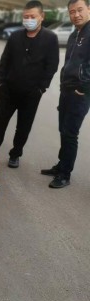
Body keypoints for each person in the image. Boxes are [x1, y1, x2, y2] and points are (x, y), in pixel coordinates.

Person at [0, 0, 59, 168]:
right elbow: (5, 60)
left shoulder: (50, 38)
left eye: (32, 16)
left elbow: (52, 65)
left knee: (23, 127)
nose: (29, 20)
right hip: (8, 91)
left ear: (42, 17)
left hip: (31, 93)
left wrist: (41, 88)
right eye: (26, 17)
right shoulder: (15, 36)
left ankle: (15, 154)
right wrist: (2, 81)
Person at [41, 0, 90, 188]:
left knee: (70, 133)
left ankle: (64, 175)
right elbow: (69, 63)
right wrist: (63, 86)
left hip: (80, 92)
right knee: (63, 129)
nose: (76, 15)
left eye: (80, 10)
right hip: (67, 90)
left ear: (89, 9)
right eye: (72, 12)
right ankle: (61, 165)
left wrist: (84, 88)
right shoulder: (74, 35)